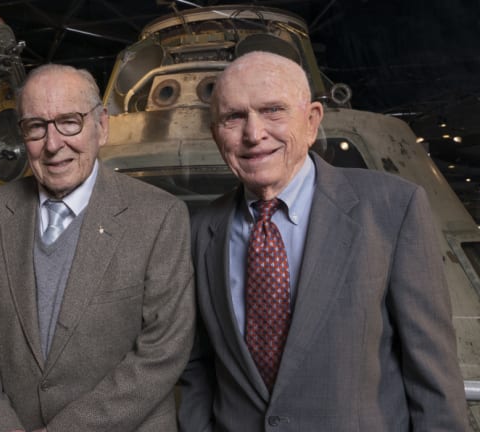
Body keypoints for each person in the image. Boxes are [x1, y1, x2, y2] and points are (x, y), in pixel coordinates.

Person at [178, 51, 469, 431]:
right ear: (216, 131)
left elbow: (432, 375)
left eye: (273, 110)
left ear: (313, 120)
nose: (254, 134)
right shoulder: (199, 231)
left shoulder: (393, 208)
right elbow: (196, 365)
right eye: (234, 117)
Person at [0, 64, 195, 432]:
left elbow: (163, 350)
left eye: (70, 122)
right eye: (36, 126)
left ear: (102, 126)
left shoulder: (160, 216)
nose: (52, 144)